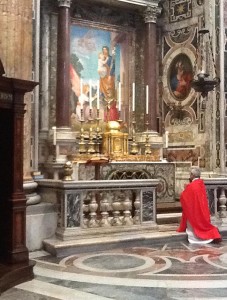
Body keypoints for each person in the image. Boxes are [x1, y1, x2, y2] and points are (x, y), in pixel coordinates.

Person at [177, 167, 222, 244]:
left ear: (193, 175)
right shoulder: (201, 184)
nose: (190, 176)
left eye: (190, 174)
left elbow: (183, 196)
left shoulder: (192, 186)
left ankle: (197, 238)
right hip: (202, 209)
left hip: (195, 211)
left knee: (195, 225)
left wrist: (184, 190)